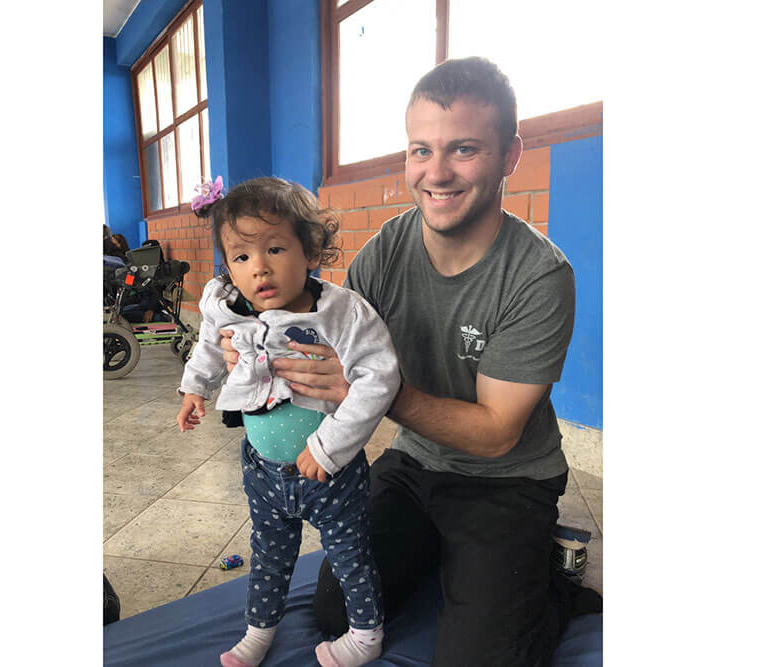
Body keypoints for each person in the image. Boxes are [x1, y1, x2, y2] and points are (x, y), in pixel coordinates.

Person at [221, 57, 600, 666]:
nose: (437, 172)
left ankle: (548, 584)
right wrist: (246, 342)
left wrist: (369, 389)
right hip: (416, 461)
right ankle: (457, 560)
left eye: (465, 149)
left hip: (506, 481)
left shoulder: (539, 276)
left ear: (510, 155)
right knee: (336, 612)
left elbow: (497, 434)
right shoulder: (384, 253)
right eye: (421, 149)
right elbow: (321, 349)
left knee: (479, 658)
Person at [176, 177, 401, 667]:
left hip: (330, 473)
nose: (259, 268)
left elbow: (379, 378)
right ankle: (260, 629)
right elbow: (210, 343)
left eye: (275, 248)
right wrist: (196, 388)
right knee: (270, 556)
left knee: (349, 559)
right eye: (241, 257)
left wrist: (328, 448)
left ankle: (366, 634)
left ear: (312, 249)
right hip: (264, 470)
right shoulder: (228, 305)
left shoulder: (342, 312)